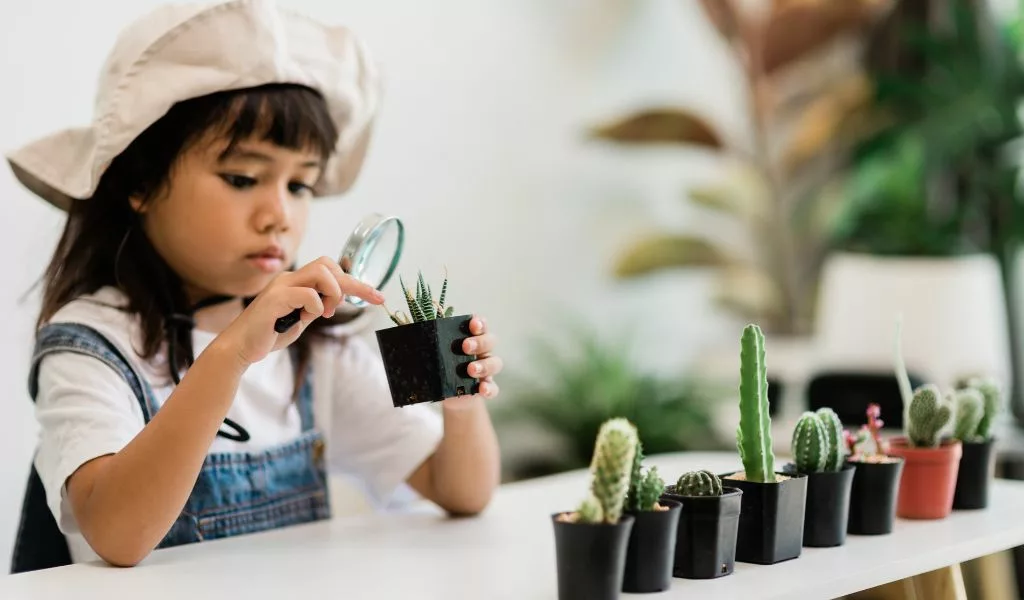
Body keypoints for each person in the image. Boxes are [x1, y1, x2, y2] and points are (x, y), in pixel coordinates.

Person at [6, 0, 503, 572]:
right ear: (140, 183)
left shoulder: (317, 350)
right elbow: (117, 535)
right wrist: (232, 354)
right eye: (243, 178)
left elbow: (461, 492)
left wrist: (460, 397)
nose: (278, 215)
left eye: (300, 186)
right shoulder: (93, 345)